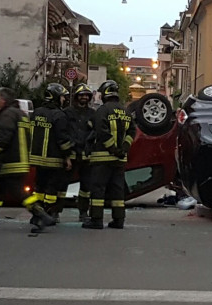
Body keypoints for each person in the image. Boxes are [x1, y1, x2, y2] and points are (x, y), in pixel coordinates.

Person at [0, 87, 55, 232]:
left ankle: (42, 215)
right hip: (18, 160)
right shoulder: (21, 114)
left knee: (19, 193)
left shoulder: (8, 115)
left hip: (11, 162)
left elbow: (2, 138)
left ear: (3, 100)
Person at [83, 80, 135, 230]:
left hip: (102, 158)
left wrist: (113, 148)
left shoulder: (102, 110)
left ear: (105, 93)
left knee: (98, 189)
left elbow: (101, 131)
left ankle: (96, 220)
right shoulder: (125, 111)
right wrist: (123, 148)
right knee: (117, 189)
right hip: (119, 160)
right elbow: (132, 131)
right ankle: (119, 220)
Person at [29, 83, 73, 224]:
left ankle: (37, 214)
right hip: (53, 159)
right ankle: (48, 214)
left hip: (36, 159)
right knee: (51, 191)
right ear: (55, 97)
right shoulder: (59, 115)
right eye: (61, 97)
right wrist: (68, 156)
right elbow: (62, 139)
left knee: (39, 189)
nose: (63, 100)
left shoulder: (36, 112)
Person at [64, 83, 97, 223]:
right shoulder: (67, 113)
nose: (84, 97)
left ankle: (83, 212)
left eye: (86, 95)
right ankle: (54, 212)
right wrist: (66, 154)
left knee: (86, 186)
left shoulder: (93, 114)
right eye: (81, 95)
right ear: (76, 96)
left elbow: (96, 132)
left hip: (86, 155)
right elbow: (63, 132)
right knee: (62, 184)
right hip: (70, 154)